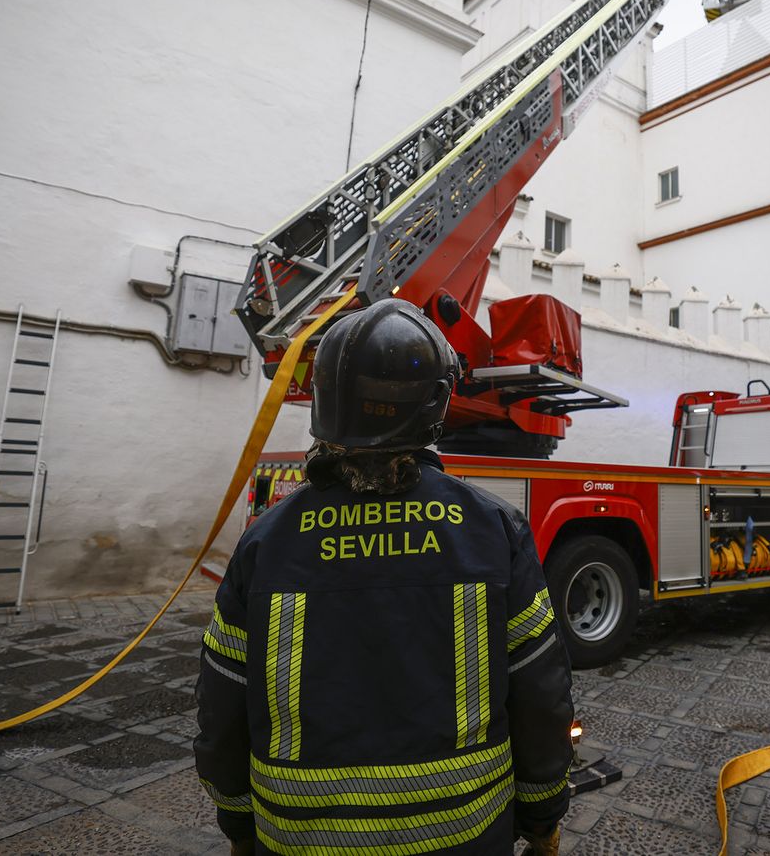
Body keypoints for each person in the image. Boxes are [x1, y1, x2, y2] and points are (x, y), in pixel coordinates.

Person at [194, 299, 573, 856]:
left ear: (325, 396)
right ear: (437, 403)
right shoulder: (493, 531)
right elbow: (540, 692)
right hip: (462, 835)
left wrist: (238, 824)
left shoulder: (266, 542)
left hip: (299, 841)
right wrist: (542, 814)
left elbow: (224, 702)